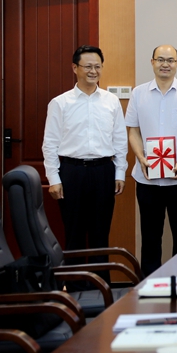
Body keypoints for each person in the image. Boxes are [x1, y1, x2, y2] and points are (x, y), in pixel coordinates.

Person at [41, 45, 127, 284]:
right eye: (88, 66)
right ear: (75, 68)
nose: (93, 71)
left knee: (101, 235)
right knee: (74, 235)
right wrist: (54, 178)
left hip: (103, 171)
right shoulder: (60, 103)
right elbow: (50, 143)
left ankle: (102, 289)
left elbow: (120, 140)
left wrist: (120, 172)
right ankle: (74, 290)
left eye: (98, 66)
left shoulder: (111, 101)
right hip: (72, 172)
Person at [126, 45, 177, 277]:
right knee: (150, 236)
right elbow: (133, 130)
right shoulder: (138, 93)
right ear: (152, 62)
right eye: (160, 59)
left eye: (170, 60)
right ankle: (150, 284)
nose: (165, 64)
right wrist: (141, 158)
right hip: (147, 178)